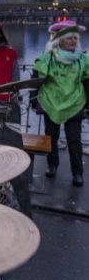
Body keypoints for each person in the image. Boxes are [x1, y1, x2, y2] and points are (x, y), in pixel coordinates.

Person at [32, 20, 89, 187]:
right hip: (51, 101)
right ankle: (52, 165)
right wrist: (34, 98)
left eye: (75, 39)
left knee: (74, 139)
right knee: (51, 137)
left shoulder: (82, 60)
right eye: (69, 38)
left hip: (75, 102)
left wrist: (88, 104)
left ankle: (78, 172)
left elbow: (87, 81)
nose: (73, 41)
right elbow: (37, 78)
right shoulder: (48, 58)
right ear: (60, 40)